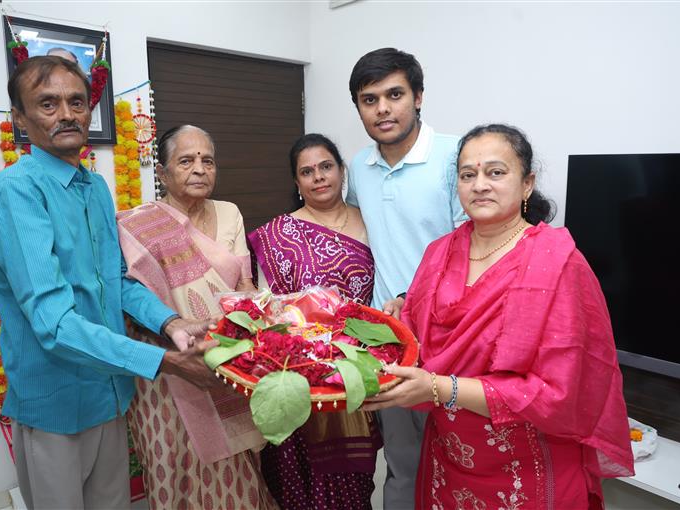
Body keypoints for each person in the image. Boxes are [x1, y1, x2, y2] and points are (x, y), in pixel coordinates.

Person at [0, 56, 217, 509]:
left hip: (109, 392)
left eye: (76, 102)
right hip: (55, 404)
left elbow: (116, 281)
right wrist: (166, 362)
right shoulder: (16, 192)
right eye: (47, 104)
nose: (66, 114)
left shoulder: (95, 188)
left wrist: (171, 324)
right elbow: (54, 324)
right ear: (20, 118)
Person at [363, 124, 635, 509]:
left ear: (527, 184)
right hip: (450, 460)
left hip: (528, 468)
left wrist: (440, 388)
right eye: (467, 175)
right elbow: (418, 339)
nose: (479, 185)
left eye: (495, 172)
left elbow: (558, 393)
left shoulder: (557, 264)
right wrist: (394, 322)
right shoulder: (439, 253)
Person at [117, 125, 277, 509]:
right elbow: (127, 293)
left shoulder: (229, 212)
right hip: (168, 368)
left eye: (208, 161)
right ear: (161, 172)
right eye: (186, 161)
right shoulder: (138, 226)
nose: (200, 169)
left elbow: (245, 283)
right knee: (173, 465)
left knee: (237, 470)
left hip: (227, 358)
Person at [346, 47, 465, 508]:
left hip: (456, 335)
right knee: (402, 463)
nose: (382, 109)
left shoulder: (456, 156)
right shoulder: (359, 167)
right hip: (390, 338)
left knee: (464, 460)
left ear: (418, 97)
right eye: (369, 99)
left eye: (394, 95)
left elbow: (472, 247)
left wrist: (414, 295)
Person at [247, 134, 381, 510]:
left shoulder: (372, 221)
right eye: (307, 172)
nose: (318, 177)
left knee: (354, 482)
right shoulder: (279, 234)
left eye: (326, 167)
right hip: (297, 371)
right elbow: (269, 308)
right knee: (298, 484)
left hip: (356, 369)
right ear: (296, 182)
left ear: (341, 171)